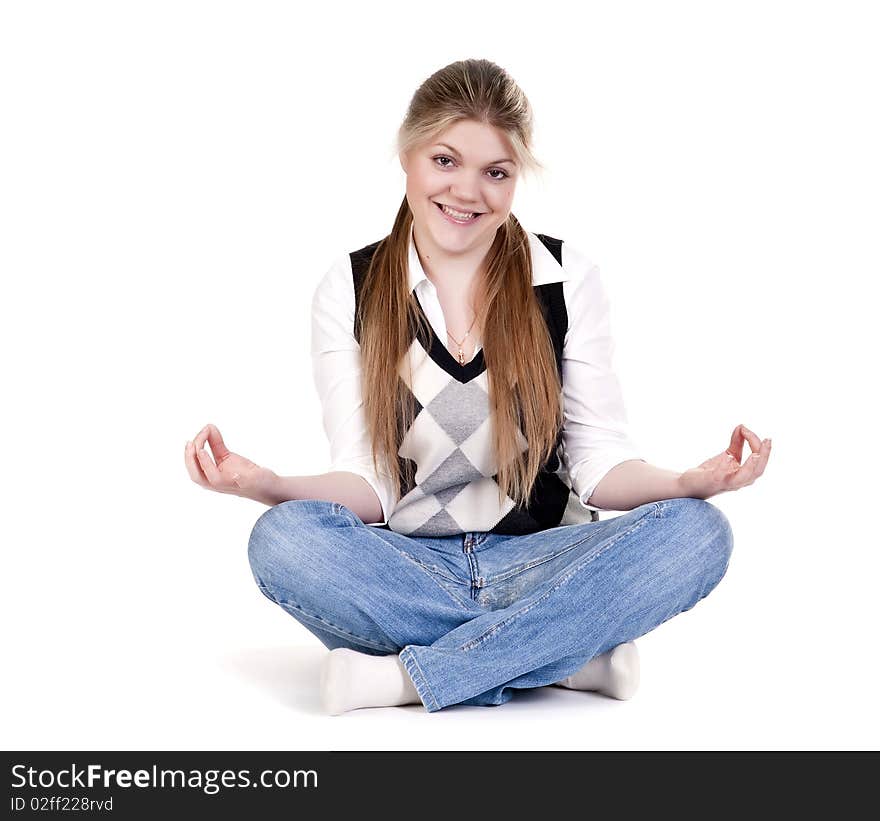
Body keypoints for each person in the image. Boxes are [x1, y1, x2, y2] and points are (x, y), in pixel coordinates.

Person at [183, 58, 771, 715]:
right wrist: (266, 485)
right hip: (408, 567)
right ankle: (564, 653)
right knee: (283, 539)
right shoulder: (350, 286)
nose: (468, 191)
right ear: (407, 154)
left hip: (545, 560)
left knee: (699, 533)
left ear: (518, 177)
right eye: (445, 161)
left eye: (496, 172)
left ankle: (409, 679)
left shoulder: (565, 277)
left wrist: (689, 483)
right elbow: (369, 485)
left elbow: (600, 464)